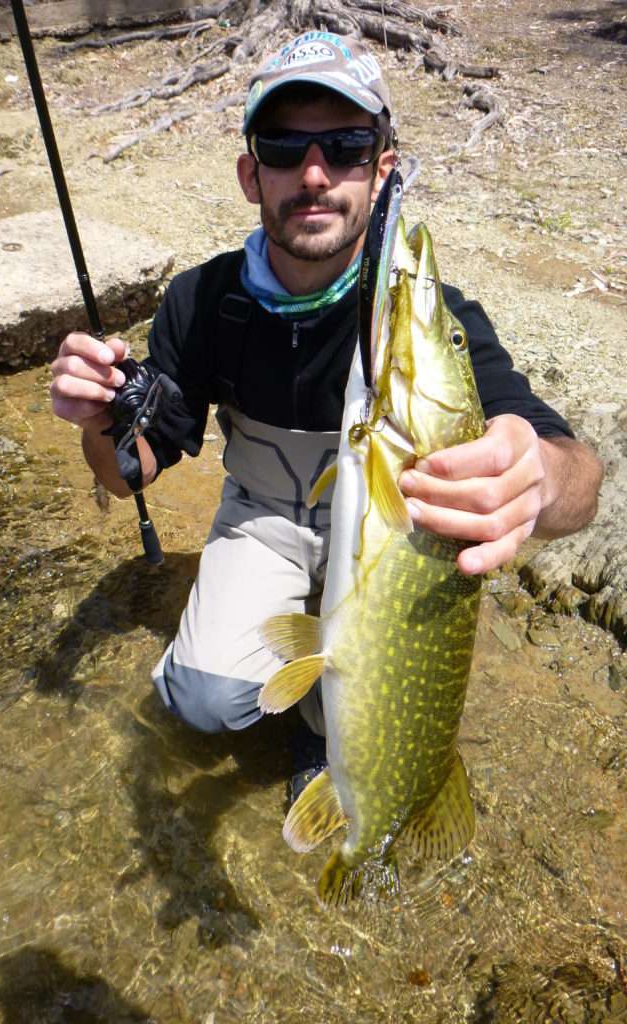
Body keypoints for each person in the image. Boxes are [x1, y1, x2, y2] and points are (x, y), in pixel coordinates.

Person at [50, 32, 603, 798]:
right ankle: (301, 667)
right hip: (263, 520)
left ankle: (326, 717)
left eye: (344, 146)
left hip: (386, 545)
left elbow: (580, 484)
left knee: (362, 712)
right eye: (283, 147)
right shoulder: (202, 303)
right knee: (198, 702)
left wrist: (540, 477)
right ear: (252, 175)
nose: (314, 174)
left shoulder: (434, 325)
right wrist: (96, 422)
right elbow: (129, 473)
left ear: (379, 173)